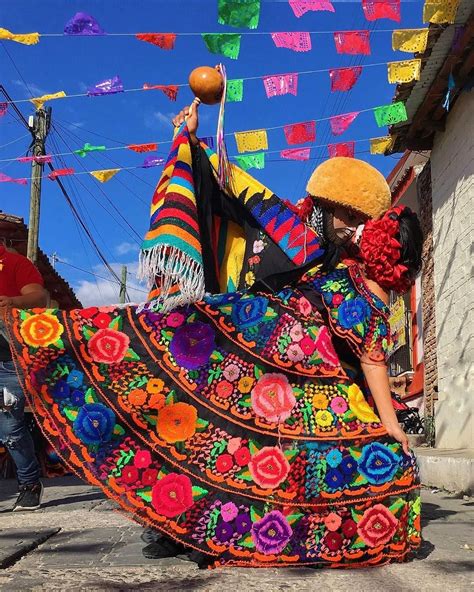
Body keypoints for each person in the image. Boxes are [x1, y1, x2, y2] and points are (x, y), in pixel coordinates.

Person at [5, 116, 422, 568]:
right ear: (323, 205)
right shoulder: (284, 225)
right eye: (346, 214)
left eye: (360, 220)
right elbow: (229, 184)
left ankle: (250, 525)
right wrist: (191, 140)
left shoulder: (351, 268)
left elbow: (365, 345)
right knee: (193, 424)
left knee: (263, 460)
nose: (350, 225)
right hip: (236, 347)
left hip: (299, 385)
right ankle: (172, 522)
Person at [0, 243, 47, 510]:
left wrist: (13, 302)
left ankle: (29, 484)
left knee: (9, 427)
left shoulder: (17, 263)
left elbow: (39, 298)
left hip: (8, 361)